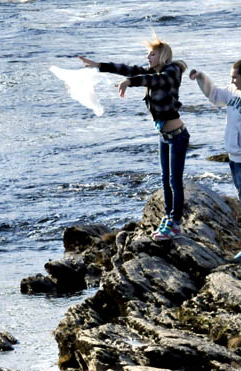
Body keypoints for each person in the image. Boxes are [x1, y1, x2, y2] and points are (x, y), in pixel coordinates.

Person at [79, 39, 189, 241]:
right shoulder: (152, 72)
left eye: (152, 54)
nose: (148, 57)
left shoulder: (172, 72)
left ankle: (175, 223)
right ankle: (167, 218)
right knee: (165, 180)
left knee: (175, 181)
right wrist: (98, 66)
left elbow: (153, 80)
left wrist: (130, 82)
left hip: (178, 137)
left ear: (162, 56)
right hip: (164, 137)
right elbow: (127, 69)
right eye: (148, 54)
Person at [189, 59, 241, 263]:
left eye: (235, 77)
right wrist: (201, 77)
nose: (232, 81)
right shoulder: (235, 93)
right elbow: (215, 95)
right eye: (231, 78)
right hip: (234, 159)